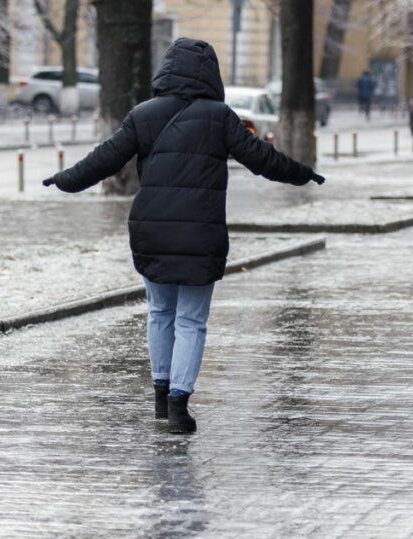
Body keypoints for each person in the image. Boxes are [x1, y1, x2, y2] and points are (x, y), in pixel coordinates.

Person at [42, 38, 325, 434]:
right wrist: (302, 173)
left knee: (160, 312)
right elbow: (261, 158)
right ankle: (178, 406)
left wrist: (64, 180)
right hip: (200, 235)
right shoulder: (220, 117)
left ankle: (160, 399)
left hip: (151, 230)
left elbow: (103, 159)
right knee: (191, 320)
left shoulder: (143, 115)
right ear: (210, 74)